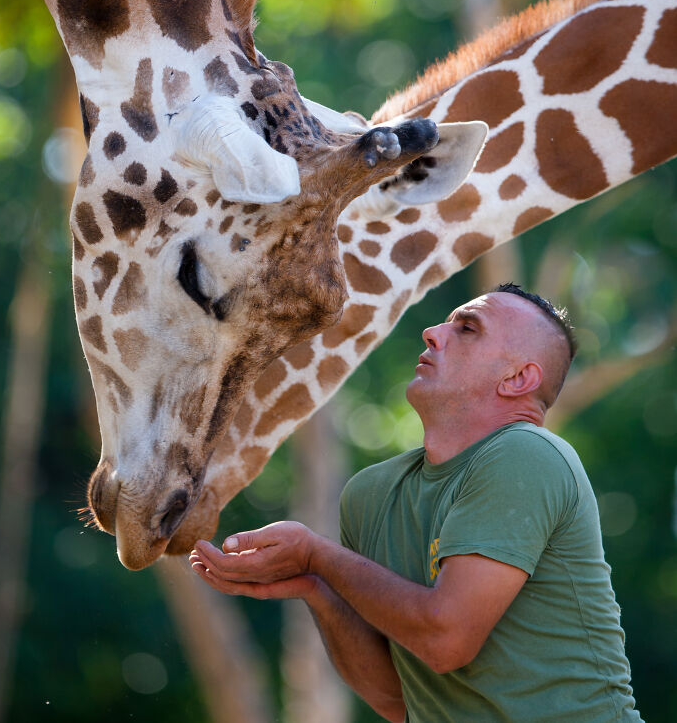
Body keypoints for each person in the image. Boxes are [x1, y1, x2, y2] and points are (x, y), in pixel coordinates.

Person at [189, 283, 643, 723]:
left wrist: (319, 554)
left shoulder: (528, 454)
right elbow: (395, 700)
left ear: (518, 378)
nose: (432, 332)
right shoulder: (371, 494)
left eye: (467, 328)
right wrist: (316, 585)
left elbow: (446, 641)